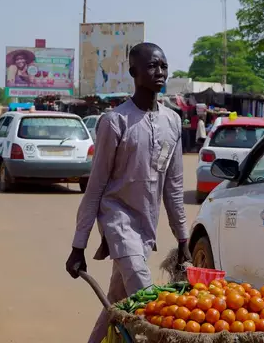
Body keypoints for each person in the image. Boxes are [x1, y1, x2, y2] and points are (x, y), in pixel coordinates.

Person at [65, 42, 191, 343]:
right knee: (149, 303)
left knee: (118, 303)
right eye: (151, 66)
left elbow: (173, 188)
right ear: (134, 72)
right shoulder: (115, 121)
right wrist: (78, 245)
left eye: (163, 65)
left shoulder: (172, 121)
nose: (159, 71)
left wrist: (183, 238)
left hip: (146, 227)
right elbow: (95, 187)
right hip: (117, 222)